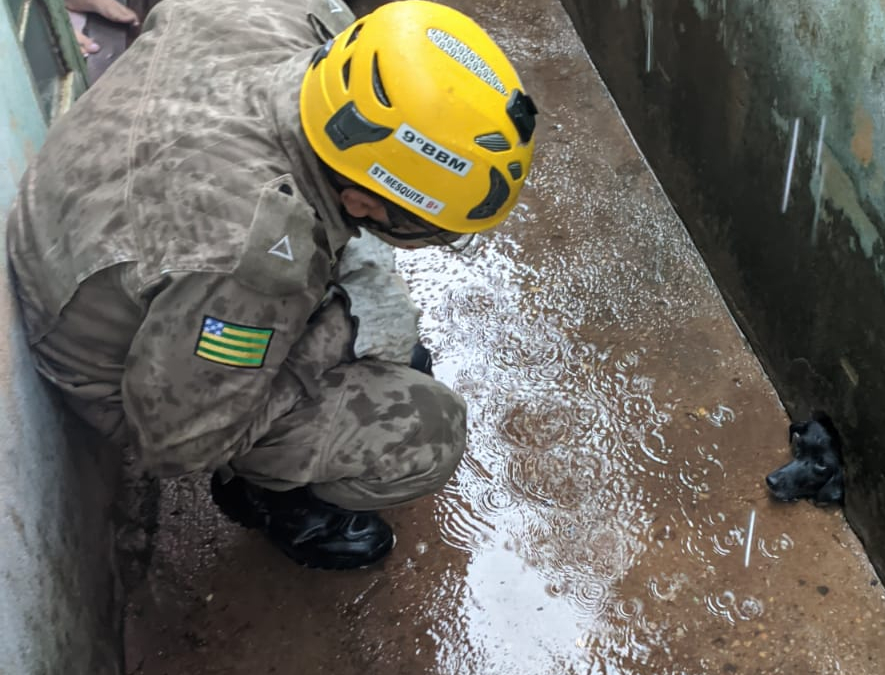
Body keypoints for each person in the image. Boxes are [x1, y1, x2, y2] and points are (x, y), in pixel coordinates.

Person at [5, 0, 537, 570]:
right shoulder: (251, 262)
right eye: (429, 227)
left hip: (93, 229)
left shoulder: (284, 18)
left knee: (386, 317)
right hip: (109, 362)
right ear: (358, 200)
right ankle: (270, 497)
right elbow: (182, 440)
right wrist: (345, 327)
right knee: (427, 433)